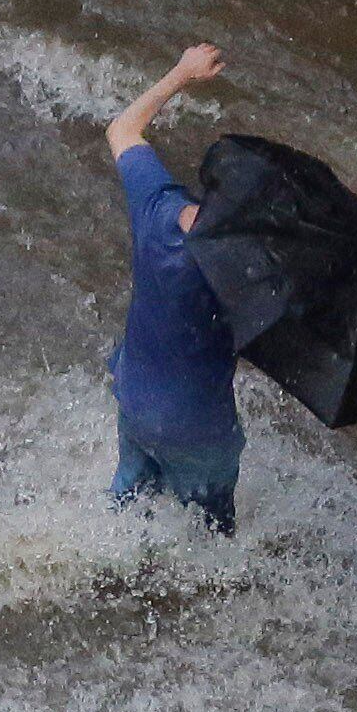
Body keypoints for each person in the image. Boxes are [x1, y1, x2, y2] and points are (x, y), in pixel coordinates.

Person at [101, 44, 241, 532]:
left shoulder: (157, 208)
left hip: (135, 395)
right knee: (216, 544)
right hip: (199, 430)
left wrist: (181, 74)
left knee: (127, 499)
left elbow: (122, 128)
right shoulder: (241, 269)